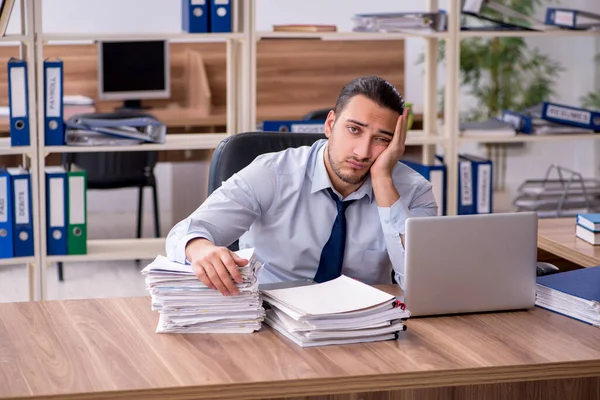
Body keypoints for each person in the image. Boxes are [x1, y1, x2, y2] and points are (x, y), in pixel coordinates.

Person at [166, 76, 438, 296]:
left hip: (364, 325)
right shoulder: (272, 174)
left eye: (381, 139)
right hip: (271, 317)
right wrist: (199, 248)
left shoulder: (413, 191)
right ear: (330, 124)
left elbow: (422, 283)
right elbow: (184, 233)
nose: (363, 152)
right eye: (354, 130)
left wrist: (382, 180)